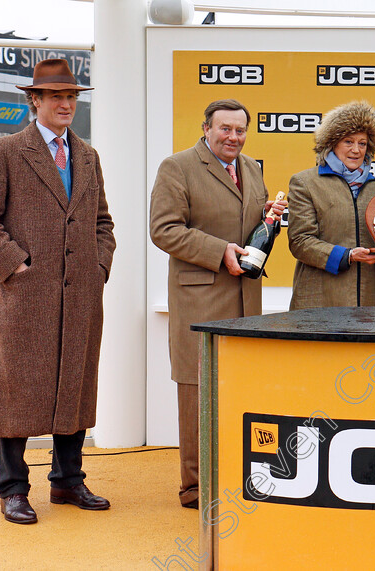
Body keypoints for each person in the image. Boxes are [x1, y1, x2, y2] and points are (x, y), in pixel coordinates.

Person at [0, 59, 116, 525]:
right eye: (55, 97)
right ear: (35, 101)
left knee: (75, 384)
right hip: (27, 296)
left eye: (71, 96)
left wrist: (99, 266)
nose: (65, 103)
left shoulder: (87, 155)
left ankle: (68, 480)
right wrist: (17, 265)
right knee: (18, 390)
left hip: (82, 295)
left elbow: (102, 223)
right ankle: (12, 489)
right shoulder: (5, 150)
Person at [149, 99, 285, 509]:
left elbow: (245, 225)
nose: (234, 137)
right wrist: (218, 250)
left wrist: (267, 218)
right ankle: (194, 487)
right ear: (206, 128)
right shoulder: (177, 166)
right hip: (199, 301)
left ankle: (232, 475)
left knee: (238, 391)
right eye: (225, 129)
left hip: (246, 301)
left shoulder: (252, 169)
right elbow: (164, 230)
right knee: (196, 392)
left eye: (240, 130)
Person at [288, 100, 375, 309]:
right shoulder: (305, 182)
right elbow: (300, 242)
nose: (356, 150)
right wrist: (347, 256)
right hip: (319, 301)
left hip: (368, 301)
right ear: (332, 143)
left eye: (362, 143)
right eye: (348, 141)